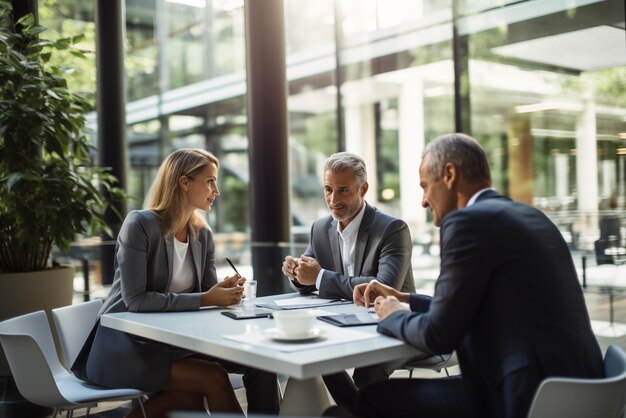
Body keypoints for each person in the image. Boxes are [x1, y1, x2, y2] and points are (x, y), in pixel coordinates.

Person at [329, 133, 604, 418]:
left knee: (373, 399)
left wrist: (393, 313)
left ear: (449, 175)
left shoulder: (467, 222)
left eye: (425, 186)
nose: (423, 201)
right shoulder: (529, 216)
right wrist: (404, 297)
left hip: (523, 395)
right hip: (577, 387)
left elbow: (438, 335)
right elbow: (465, 306)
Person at [72, 148, 279, 418]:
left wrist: (224, 293)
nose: (216, 190)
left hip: (174, 344)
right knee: (212, 378)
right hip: (126, 345)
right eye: (210, 181)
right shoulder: (140, 225)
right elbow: (136, 300)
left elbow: (209, 296)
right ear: (184, 182)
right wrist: (208, 298)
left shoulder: (202, 234)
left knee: (262, 362)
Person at [282, 151, 416, 406]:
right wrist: (296, 273)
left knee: (367, 372)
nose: (333, 199)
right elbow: (309, 278)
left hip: (395, 324)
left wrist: (319, 276)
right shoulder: (320, 228)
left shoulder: (392, 229)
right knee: (317, 356)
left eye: (343, 190)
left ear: (363, 189)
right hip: (345, 324)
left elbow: (381, 289)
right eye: (328, 189)